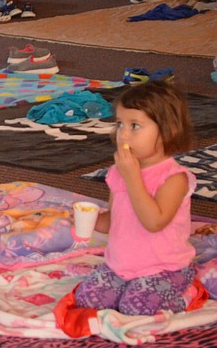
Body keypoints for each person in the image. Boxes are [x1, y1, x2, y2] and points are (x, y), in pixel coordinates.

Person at [74, 81, 196, 316]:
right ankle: (130, 287)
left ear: (167, 130)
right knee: (87, 300)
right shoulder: (118, 171)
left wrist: (132, 177)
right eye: (120, 124)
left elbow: (154, 222)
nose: (124, 134)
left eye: (135, 126)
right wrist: (88, 219)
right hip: (120, 265)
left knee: (136, 308)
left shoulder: (174, 178)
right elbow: (114, 219)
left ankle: (188, 295)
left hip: (165, 268)